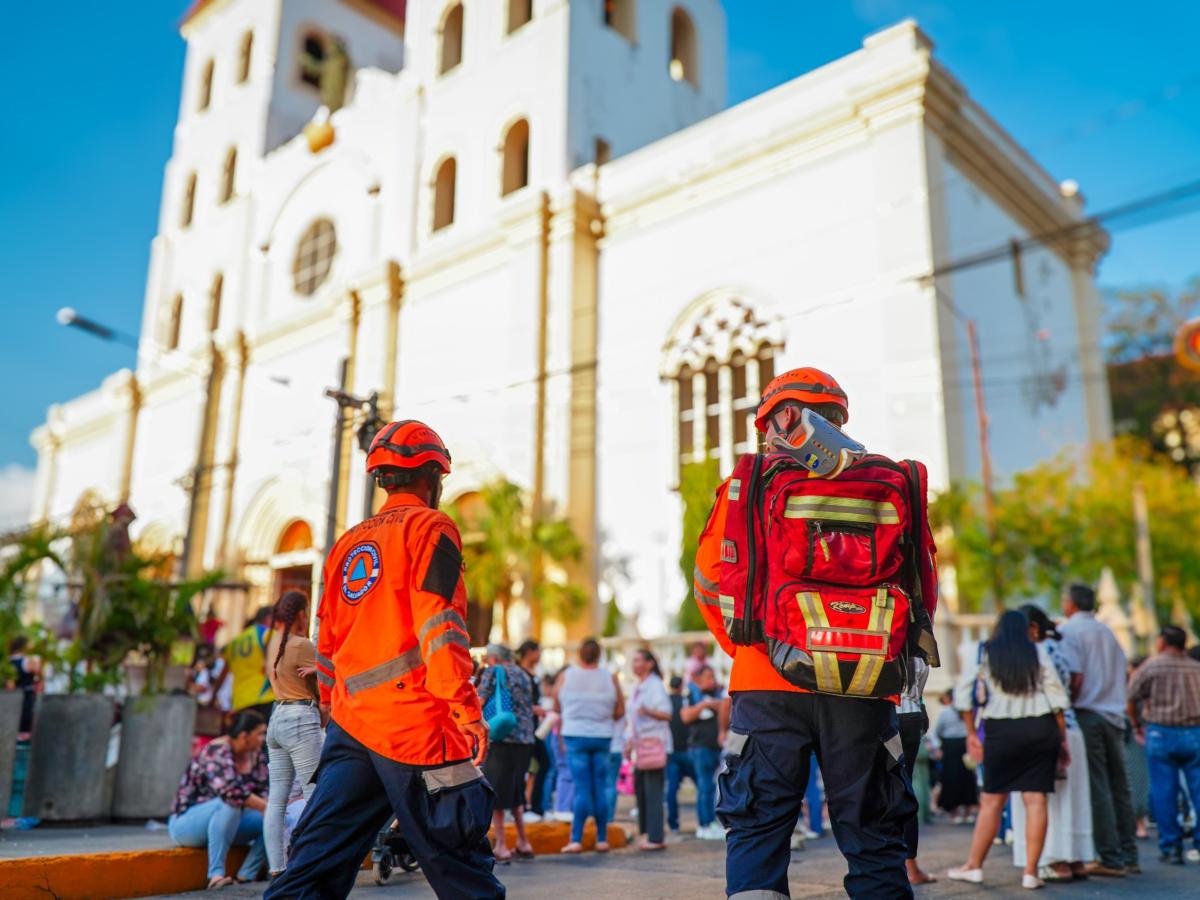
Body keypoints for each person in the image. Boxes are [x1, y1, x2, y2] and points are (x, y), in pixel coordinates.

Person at [693, 366, 933, 899]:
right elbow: (920, 588)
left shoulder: (748, 484)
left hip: (767, 684)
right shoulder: (888, 483)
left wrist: (757, 649)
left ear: (777, 421)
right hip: (866, 682)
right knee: (873, 837)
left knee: (758, 830)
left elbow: (711, 583)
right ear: (838, 420)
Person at [265, 420, 503, 900]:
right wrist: (466, 711)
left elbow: (327, 639)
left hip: (352, 725)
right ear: (432, 475)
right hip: (414, 723)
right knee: (459, 862)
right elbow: (440, 625)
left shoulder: (346, 544)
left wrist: (331, 704)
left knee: (314, 864)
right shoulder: (431, 527)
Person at [948, 609, 1071, 890]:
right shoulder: (1037, 652)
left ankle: (974, 866)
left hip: (1001, 732)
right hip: (1041, 728)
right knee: (1036, 800)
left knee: (992, 800)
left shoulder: (982, 652)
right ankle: (1031, 872)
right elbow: (1057, 699)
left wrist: (971, 734)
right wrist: (1061, 738)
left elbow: (964, 697)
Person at [1059, 582, 1139, 876]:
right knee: (1120, 786)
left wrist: (1069, 701)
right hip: (1114, 713)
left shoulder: (1070, 631)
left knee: (1099, 786)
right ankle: (1129, 854)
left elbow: (1076, 677)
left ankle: (1110, 857)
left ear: (1071, 604)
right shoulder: (1108, 632)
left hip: (1088, 713)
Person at [1011, 605, 1094, 882]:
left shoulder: (1036, 651)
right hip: (1071, 727)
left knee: (1046, 800)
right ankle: (1076, 857)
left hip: (1046, 729)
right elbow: (1075, 682)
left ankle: (1054, 859)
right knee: (1073, 796)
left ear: (1032, 628)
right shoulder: (1059, 648)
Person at [169, 710, 269, 890]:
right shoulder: (216, 751)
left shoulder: (256, 755)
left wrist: (271, 808)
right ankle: (216, 875)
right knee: (229, 805)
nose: (264, 739)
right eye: (260, 734)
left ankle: (246, 875)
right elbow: (230, 791)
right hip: (186, 824)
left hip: (230, 824)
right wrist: (265, 806)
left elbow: (265, 790)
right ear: (244, 736)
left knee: (276, 818)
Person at [1126, 625, 1200, 865]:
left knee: (1164, 791)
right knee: (1198, 790)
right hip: (1194, 732)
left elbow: (1130, 697)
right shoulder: (1195, 668)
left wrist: (1136, 725)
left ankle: (1171, 845)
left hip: (1160, 732)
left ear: (1162, 642)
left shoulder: (1151, 666)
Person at [263, 590, 324, 878]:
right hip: (300, 718)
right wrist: (321, 669)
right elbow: (329, 680)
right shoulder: (302, 645)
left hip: (277, 718)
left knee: (276, 800)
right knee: (315, 794)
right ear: (301, 614)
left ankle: (277, 867)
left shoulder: (272, 642)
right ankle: (312, 863)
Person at [555, 638, 623, 853]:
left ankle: (576, 839)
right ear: (599, 655)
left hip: (575, 735)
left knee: (582, 789)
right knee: (600, 788)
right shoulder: (610, 677)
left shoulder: (566, 676)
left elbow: (556, 706)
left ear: (579, 654)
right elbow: (620, 710)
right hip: (602, 736)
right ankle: (602, 839)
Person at [478, 644, 537, 863]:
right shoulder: (523, 673)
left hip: (502, 737)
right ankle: (523, 841)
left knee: (497, 792)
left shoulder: (494, 671)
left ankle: (502, 845)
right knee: (516, 789)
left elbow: (479, 699)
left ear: (494, 658)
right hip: (525, 740)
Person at [629, 648, 672, 851]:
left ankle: (655, 837)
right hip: (642, 745)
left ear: (649, 664)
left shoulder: (655, 685)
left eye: (639, 660)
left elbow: (667, 713)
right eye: (634, 660)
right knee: (642, 790)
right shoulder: (639, 686)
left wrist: (647, 711)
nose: (635, 664)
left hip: (655, 744)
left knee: (653, 791)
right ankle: (648, 833)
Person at [897, 657, 935, 885]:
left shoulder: (880, 641)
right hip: (910, 715)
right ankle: (911, 867)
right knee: (904, 789)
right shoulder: (920, 651)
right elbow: (918, 689)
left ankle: (882, 864)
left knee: (879, 790)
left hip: (879, 716)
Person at [681, 664, 728, 840]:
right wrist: (705, 705)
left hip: (715, 747)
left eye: (713, 677)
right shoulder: (692, 695)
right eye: (708, 677)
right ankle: (704, 824)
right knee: (705, 786)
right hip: (700, 747)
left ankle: (712, 822)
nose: (712, 681)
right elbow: (685, 716)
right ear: (698, 679)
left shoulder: (718, 693)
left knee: (713, 787)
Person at [214, 607, 276, 721]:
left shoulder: (234, 642)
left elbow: (222, 675)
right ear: (268, 618)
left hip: (239, 701)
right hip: (264, 697)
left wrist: (213, 697)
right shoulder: (267, 634)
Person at [516, 639, 551, 821]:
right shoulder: (520, 673)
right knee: (535, 764)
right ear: (529, 652)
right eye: (538, 651)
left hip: (534, 727)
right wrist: (532, 709)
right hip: (524, 729)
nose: (540, 656)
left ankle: (531, 806)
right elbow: (516, 702)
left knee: (534, 766)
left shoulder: (532, 673)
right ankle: (528, 807)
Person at [933, 688, 977, 822]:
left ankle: (954, 812)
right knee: (968, 778)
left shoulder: (945, 712)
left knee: (951, 778)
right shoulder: (967, 710)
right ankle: (968, 811)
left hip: (950, 746)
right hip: (964, 745)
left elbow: (938, 731)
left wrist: (939, 747)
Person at [666, 675, 696, 834]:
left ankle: (674, 823)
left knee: (671, 789)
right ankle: (707, 820)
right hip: (687, 750)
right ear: (680, 686)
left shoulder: (665, 702)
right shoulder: (686, 701)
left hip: (671, 751)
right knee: (703, 786)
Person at [7, 636, 40, 737]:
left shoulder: (8, 661)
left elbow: (9, 685)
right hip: (26, 699)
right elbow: (38, 673)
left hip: (12, 700)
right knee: (25, 732)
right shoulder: (28, 661)